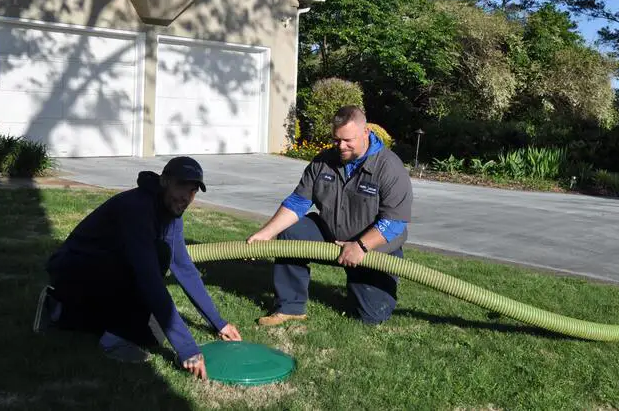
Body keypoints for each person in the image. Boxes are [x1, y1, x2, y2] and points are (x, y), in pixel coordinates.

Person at [33, 156, 241, 378]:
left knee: (146, 335)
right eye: (181, 186)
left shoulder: (170, 214)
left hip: (98, 271)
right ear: (164, 181)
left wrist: (219, 322)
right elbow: (149, 280)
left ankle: (60, 310)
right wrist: (187, 348)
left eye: (192, 191)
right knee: (153, 263)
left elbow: (183, 267)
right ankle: (112, 340)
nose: (185, 197)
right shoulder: (137, 208)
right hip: (73, 271)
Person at [247, 106, 413, 326]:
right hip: (331, 236)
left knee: (372, 317)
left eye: (347, 140)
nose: (340, 146)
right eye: (336, 140)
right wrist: (265, 233)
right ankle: (290, 307)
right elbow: (298, 203)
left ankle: (360, 284)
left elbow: (394, 221)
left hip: (373, 249)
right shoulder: (323, 161)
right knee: (292, 231)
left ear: (366, 133)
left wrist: (360, 246)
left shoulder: (389, 167)